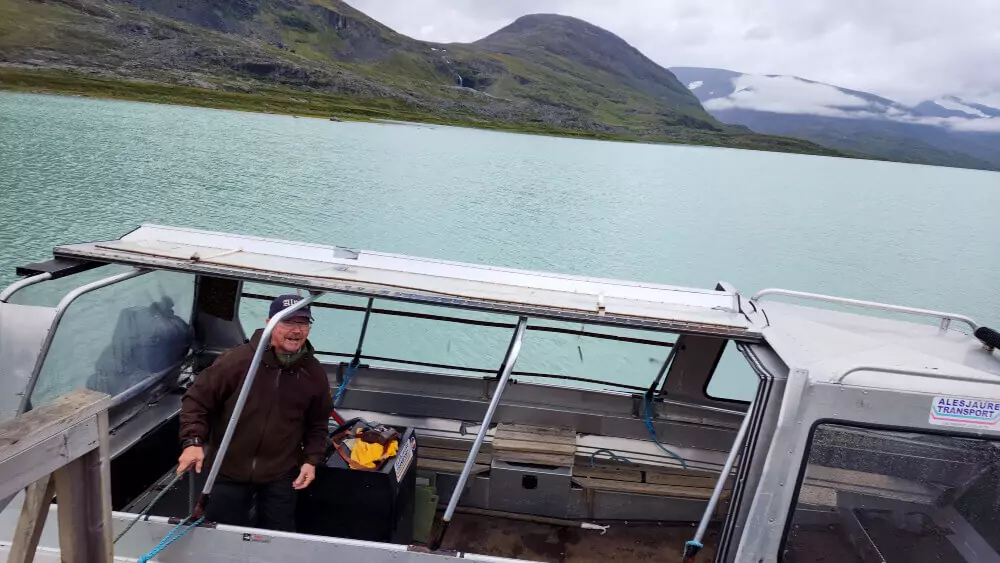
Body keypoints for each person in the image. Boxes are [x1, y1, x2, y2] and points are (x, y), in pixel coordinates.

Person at [177, 294, 333, 531]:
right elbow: (196, 401)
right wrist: (192, 443)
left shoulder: (314, 373)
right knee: (219, 536)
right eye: (288, 322)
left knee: (278, 539)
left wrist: (311, 460)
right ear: (271, 323)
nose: (296, 330)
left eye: (303, 323)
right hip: (227, 468)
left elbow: (318, 423)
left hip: (280, 472)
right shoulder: (236, 361)